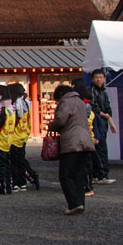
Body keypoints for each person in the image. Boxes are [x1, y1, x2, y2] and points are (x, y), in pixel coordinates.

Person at [47, 80, 93, 215]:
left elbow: (61, 120)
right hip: (85, 141)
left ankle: (73, 203)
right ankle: (80, 202)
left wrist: (51, 125)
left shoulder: (66, 102)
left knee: (66, 175)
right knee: (79, 175)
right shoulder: (80, 101)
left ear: (61, 94)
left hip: (72, 142)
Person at [87, 69, 117, 185]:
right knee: (99, 150)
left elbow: (108, 107)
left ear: (104, 79)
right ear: (93, 79)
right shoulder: (92, 91)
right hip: (96, 124)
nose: (98, 79)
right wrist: (107, 117)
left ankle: (101, 173)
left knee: (102, 149)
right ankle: (100, 174)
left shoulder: (104, 92)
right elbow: (94, 108)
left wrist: (109, 118)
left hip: (103, 123)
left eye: (100, 77)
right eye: (96, 77)